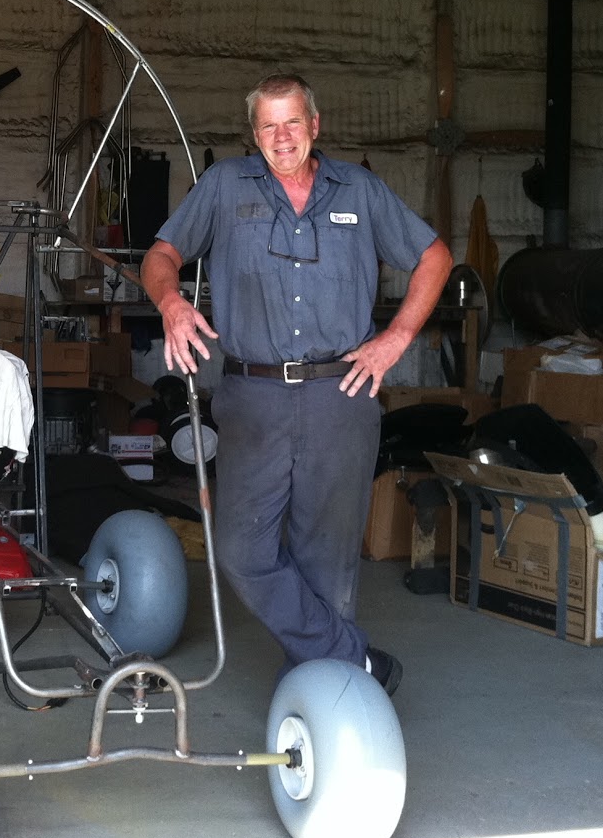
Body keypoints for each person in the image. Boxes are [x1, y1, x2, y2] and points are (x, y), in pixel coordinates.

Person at [140, 74, 450, 696]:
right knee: (241, 551)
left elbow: (434, 257)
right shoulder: (226, 186)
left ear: (315, 124)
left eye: (292, 123)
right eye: (268, 126)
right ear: (254, 134)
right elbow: (160, 255)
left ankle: (324, 702)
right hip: (253, 395)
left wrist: (394, 340)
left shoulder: (358, 190)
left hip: (342, 395)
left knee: (327, 562)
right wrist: (171, 301)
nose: (282, 137)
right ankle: (352, 663)